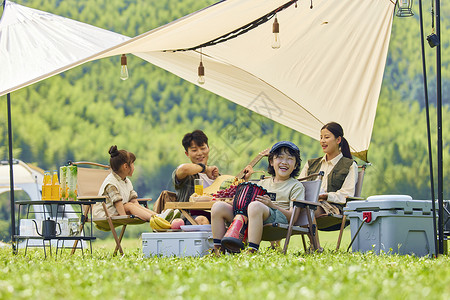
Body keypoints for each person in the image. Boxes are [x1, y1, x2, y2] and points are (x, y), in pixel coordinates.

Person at [211, 141, 305, 254]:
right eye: (279, 157)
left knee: (255, 206)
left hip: (279, 219)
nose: (284, 162)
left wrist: (271, 205)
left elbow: (293, 217)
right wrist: (237, 201)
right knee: (218, 207)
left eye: (290, 158)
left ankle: (252, 250)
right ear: (271, 161)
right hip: (252, 216)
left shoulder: (296, 186)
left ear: (295, 165)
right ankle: (218, 250)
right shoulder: (262, 183)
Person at [299, 122, 358, 217]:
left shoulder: (350, 165)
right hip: (309, 204)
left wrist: (327, 196)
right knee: (290, 208)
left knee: (306, 211)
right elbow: (299, 185)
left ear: (338, 140)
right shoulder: (311, 164)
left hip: (332, 207)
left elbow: (347, 194)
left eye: (326, 137)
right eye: (321, 137)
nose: (322, 141)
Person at [93, 145, 157, 221]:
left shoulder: (126, 181)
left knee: (132, 205)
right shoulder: (111, 183)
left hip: (117, 211)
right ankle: (155, 219)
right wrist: (124, 218)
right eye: (133, 163)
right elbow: (118, 203)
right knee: (129, 206)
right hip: (104, 214)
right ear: (126, 166)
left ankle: (157, 216)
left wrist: (140, 212)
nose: (134, 167)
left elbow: (134, 201)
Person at [172, 130, 220, 203]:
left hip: (215, 213)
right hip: (191, 214)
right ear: (187, 154)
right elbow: (183, 169)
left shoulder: (217, 176)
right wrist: (206, 169)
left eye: (203, 148)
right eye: (194, 150)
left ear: (208, 148)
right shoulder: (187, 176)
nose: (200, 153)